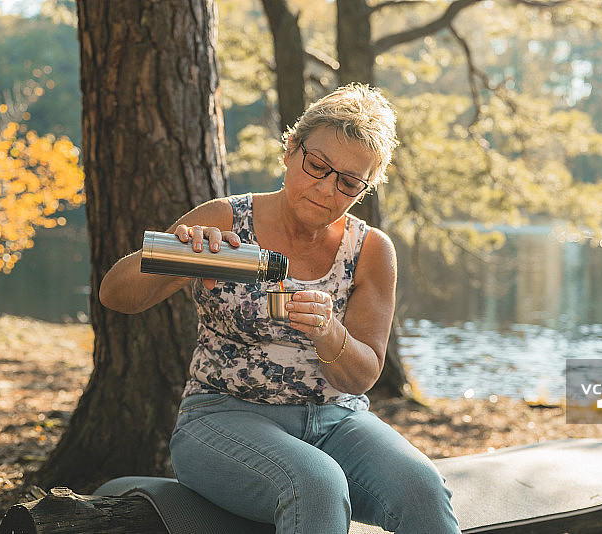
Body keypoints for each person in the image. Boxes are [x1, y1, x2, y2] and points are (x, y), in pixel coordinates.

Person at [99, 84, 460, 534]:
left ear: (363, 190)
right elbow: (115, 296)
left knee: (422, 488)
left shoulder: (370, 249)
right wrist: (182, 253)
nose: (326, 188)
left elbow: (363, 375)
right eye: (318, 166)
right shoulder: (226, 221)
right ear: (291, 149)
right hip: (220, 418)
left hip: (337, 420)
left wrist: (329, 332)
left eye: (348, 181)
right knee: (316, 483)